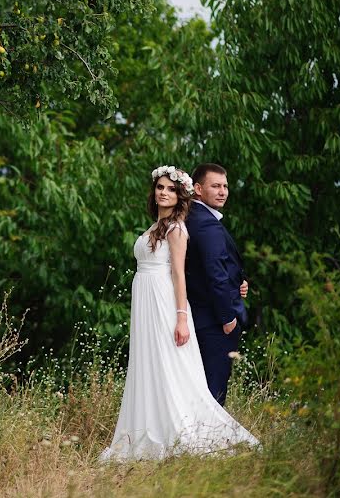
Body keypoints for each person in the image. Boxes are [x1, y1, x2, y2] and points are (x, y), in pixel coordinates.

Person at [99, 165, 258, 461]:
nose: (163, 192)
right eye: (160, 187)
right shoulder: (154, 227)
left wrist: (182, 318)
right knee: (149, 364)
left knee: (170, 365)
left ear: (181, 194)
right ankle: (144, 428)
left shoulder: (176, 228)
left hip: (163, 302)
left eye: (170, 189)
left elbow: (179, 275)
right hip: (145, 302)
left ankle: (186, 432)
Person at [184, 163, 248, 406]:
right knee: (214, 388)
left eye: (225, 186)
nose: (223, 191)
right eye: (216, 186)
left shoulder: (193, 217)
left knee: (201, 386)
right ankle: (209, 440)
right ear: (198, 189)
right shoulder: (206, 223)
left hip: (199, 315)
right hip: (215, 321)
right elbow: (215, 273)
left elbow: (203, 268)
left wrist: (238, 283)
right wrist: (227, 317)